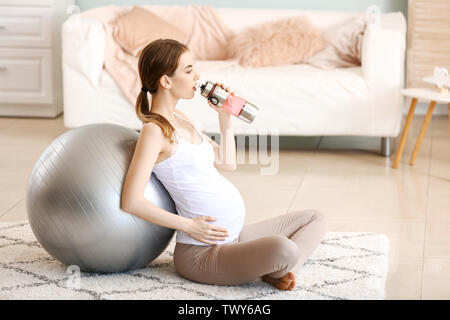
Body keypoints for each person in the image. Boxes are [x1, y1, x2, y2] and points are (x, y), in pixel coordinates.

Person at [121, 39, 327, 290]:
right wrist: (189, 225)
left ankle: (281, 270)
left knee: (315, 219)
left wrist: (225, 118)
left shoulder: (181, 117)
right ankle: (278, 266)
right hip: (203, 254)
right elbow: (131, 201)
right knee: (284, 248)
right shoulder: (154, 131)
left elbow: (227, 162)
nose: (197, 75)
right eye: (188, 70)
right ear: (166, 81)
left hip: (234, 238)